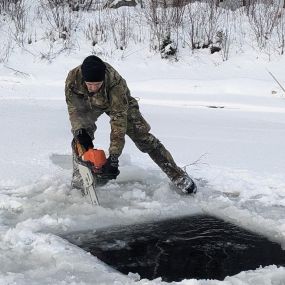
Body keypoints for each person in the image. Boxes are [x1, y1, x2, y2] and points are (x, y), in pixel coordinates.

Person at [65, 55, 197, 194]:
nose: (93, 88)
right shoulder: (73, 78)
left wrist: (114, 157)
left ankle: (178, 176)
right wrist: (79, 129)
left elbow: (118, 122)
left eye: (97, 84)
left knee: (144, 138)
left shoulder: (115, 84)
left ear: (103, 79)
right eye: (89, 84)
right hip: (89, 105)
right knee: (79, 138)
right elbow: (74, 109)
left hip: (120, 106)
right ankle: (80, 177)